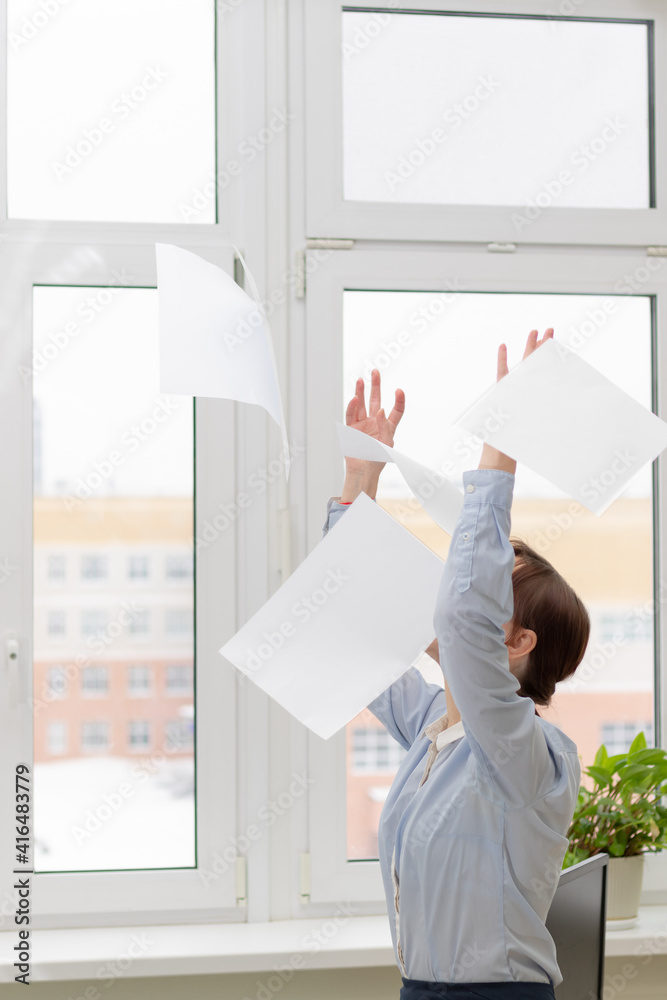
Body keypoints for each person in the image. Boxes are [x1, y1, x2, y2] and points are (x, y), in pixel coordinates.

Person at [322, 330, 591, 1000]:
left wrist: (501, 443)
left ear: (517, 643)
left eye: (486, 588)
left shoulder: (525, 749)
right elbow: (354, 622)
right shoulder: (430, 729)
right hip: (421, 989)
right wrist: (360, 483)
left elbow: (460, 622)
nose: (454, 591)